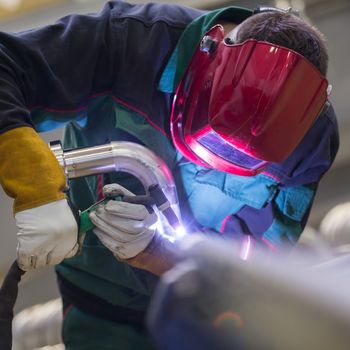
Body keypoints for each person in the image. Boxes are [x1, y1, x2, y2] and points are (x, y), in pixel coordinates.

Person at [0, 1, 339, 349]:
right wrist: (35, 186)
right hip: (103, 304)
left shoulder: (310, 141)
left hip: (211, 311)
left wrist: (160, 256)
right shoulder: (133, 42)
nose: (214, 162)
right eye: (213, 141)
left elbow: (260, 265)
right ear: (206, 60)